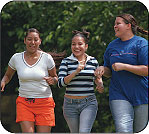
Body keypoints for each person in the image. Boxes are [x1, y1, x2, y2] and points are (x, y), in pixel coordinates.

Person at [95, 13, 148, 133]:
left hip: (142, 95)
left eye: (118, 23)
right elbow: (109, 71)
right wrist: (103, 69)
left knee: (140, 130)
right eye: (114, 24)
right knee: (123, 130)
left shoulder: (141, 44)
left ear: (128, 26)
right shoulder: (112, 46)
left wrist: (124, 66)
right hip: (118, 94)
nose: (115, 26)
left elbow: (146, 70)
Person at [1, 28, 58, 133]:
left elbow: (55, 78)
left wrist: (53, 80)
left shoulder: (47, 58)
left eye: (36, 40)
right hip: (24, 103)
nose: (32, 42)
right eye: (29, 39)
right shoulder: (16, 58)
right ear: (24, 41)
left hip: (45, 103)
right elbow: (7, 76)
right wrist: (3, 81)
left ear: (40, 41)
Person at [58, 30, 104, 133]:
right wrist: (76, 72)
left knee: (84, 131)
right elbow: (60, 83)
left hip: (88, 103)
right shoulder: (66, 61)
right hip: (69, 104)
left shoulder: (93, 61)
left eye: (80, 44)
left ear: (86, 46)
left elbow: (97, 79)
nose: (76, 47)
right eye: (73, 44)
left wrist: (100, 84)